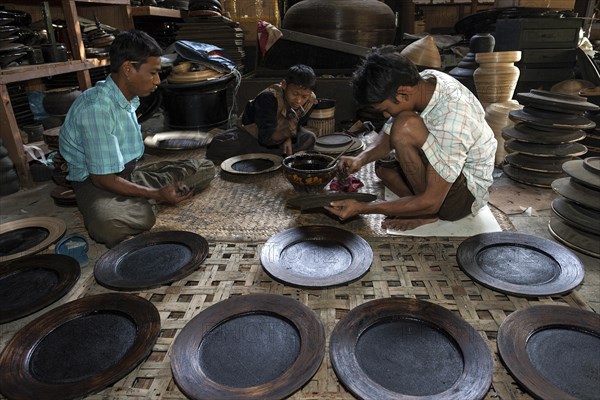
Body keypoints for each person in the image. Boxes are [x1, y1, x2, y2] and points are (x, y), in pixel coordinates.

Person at [59, 30, 215, 248]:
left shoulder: (126, 98)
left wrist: (157, 142)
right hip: (96, 183)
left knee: (206, 167)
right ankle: (147, 200)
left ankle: (141, 200)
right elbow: (102, 179)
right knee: (108, 225)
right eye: (152, 73)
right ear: (128, 69)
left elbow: (125, 141)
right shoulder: (97, 109)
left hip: (128, 174)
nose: (158, 81)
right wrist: (157, 194)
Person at [325, 45, 497, 230]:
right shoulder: (424, 82)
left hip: (464, 196)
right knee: (384, 169)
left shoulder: (453, 117)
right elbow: (389, 134)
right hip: (446, 163)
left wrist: (364, 208)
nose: (385, 117)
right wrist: (360, 159)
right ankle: (418, 204)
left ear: (403, 93)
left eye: (385, 110)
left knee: (405, 125)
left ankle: (426, 213)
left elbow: (432, 200)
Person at [206, 64, 318, 162]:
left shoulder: (310, 101)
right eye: (295, 94)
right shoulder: (268, 98)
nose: (298, 100)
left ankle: (270, 154)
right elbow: (265, 137)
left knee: (310, 137)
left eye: (304, 96)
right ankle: (280, 154)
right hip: (255, 133)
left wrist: (289, 138)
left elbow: (297, 125)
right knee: (219, 145)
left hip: (280, 133)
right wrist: (285, 135)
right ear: (284, 85)